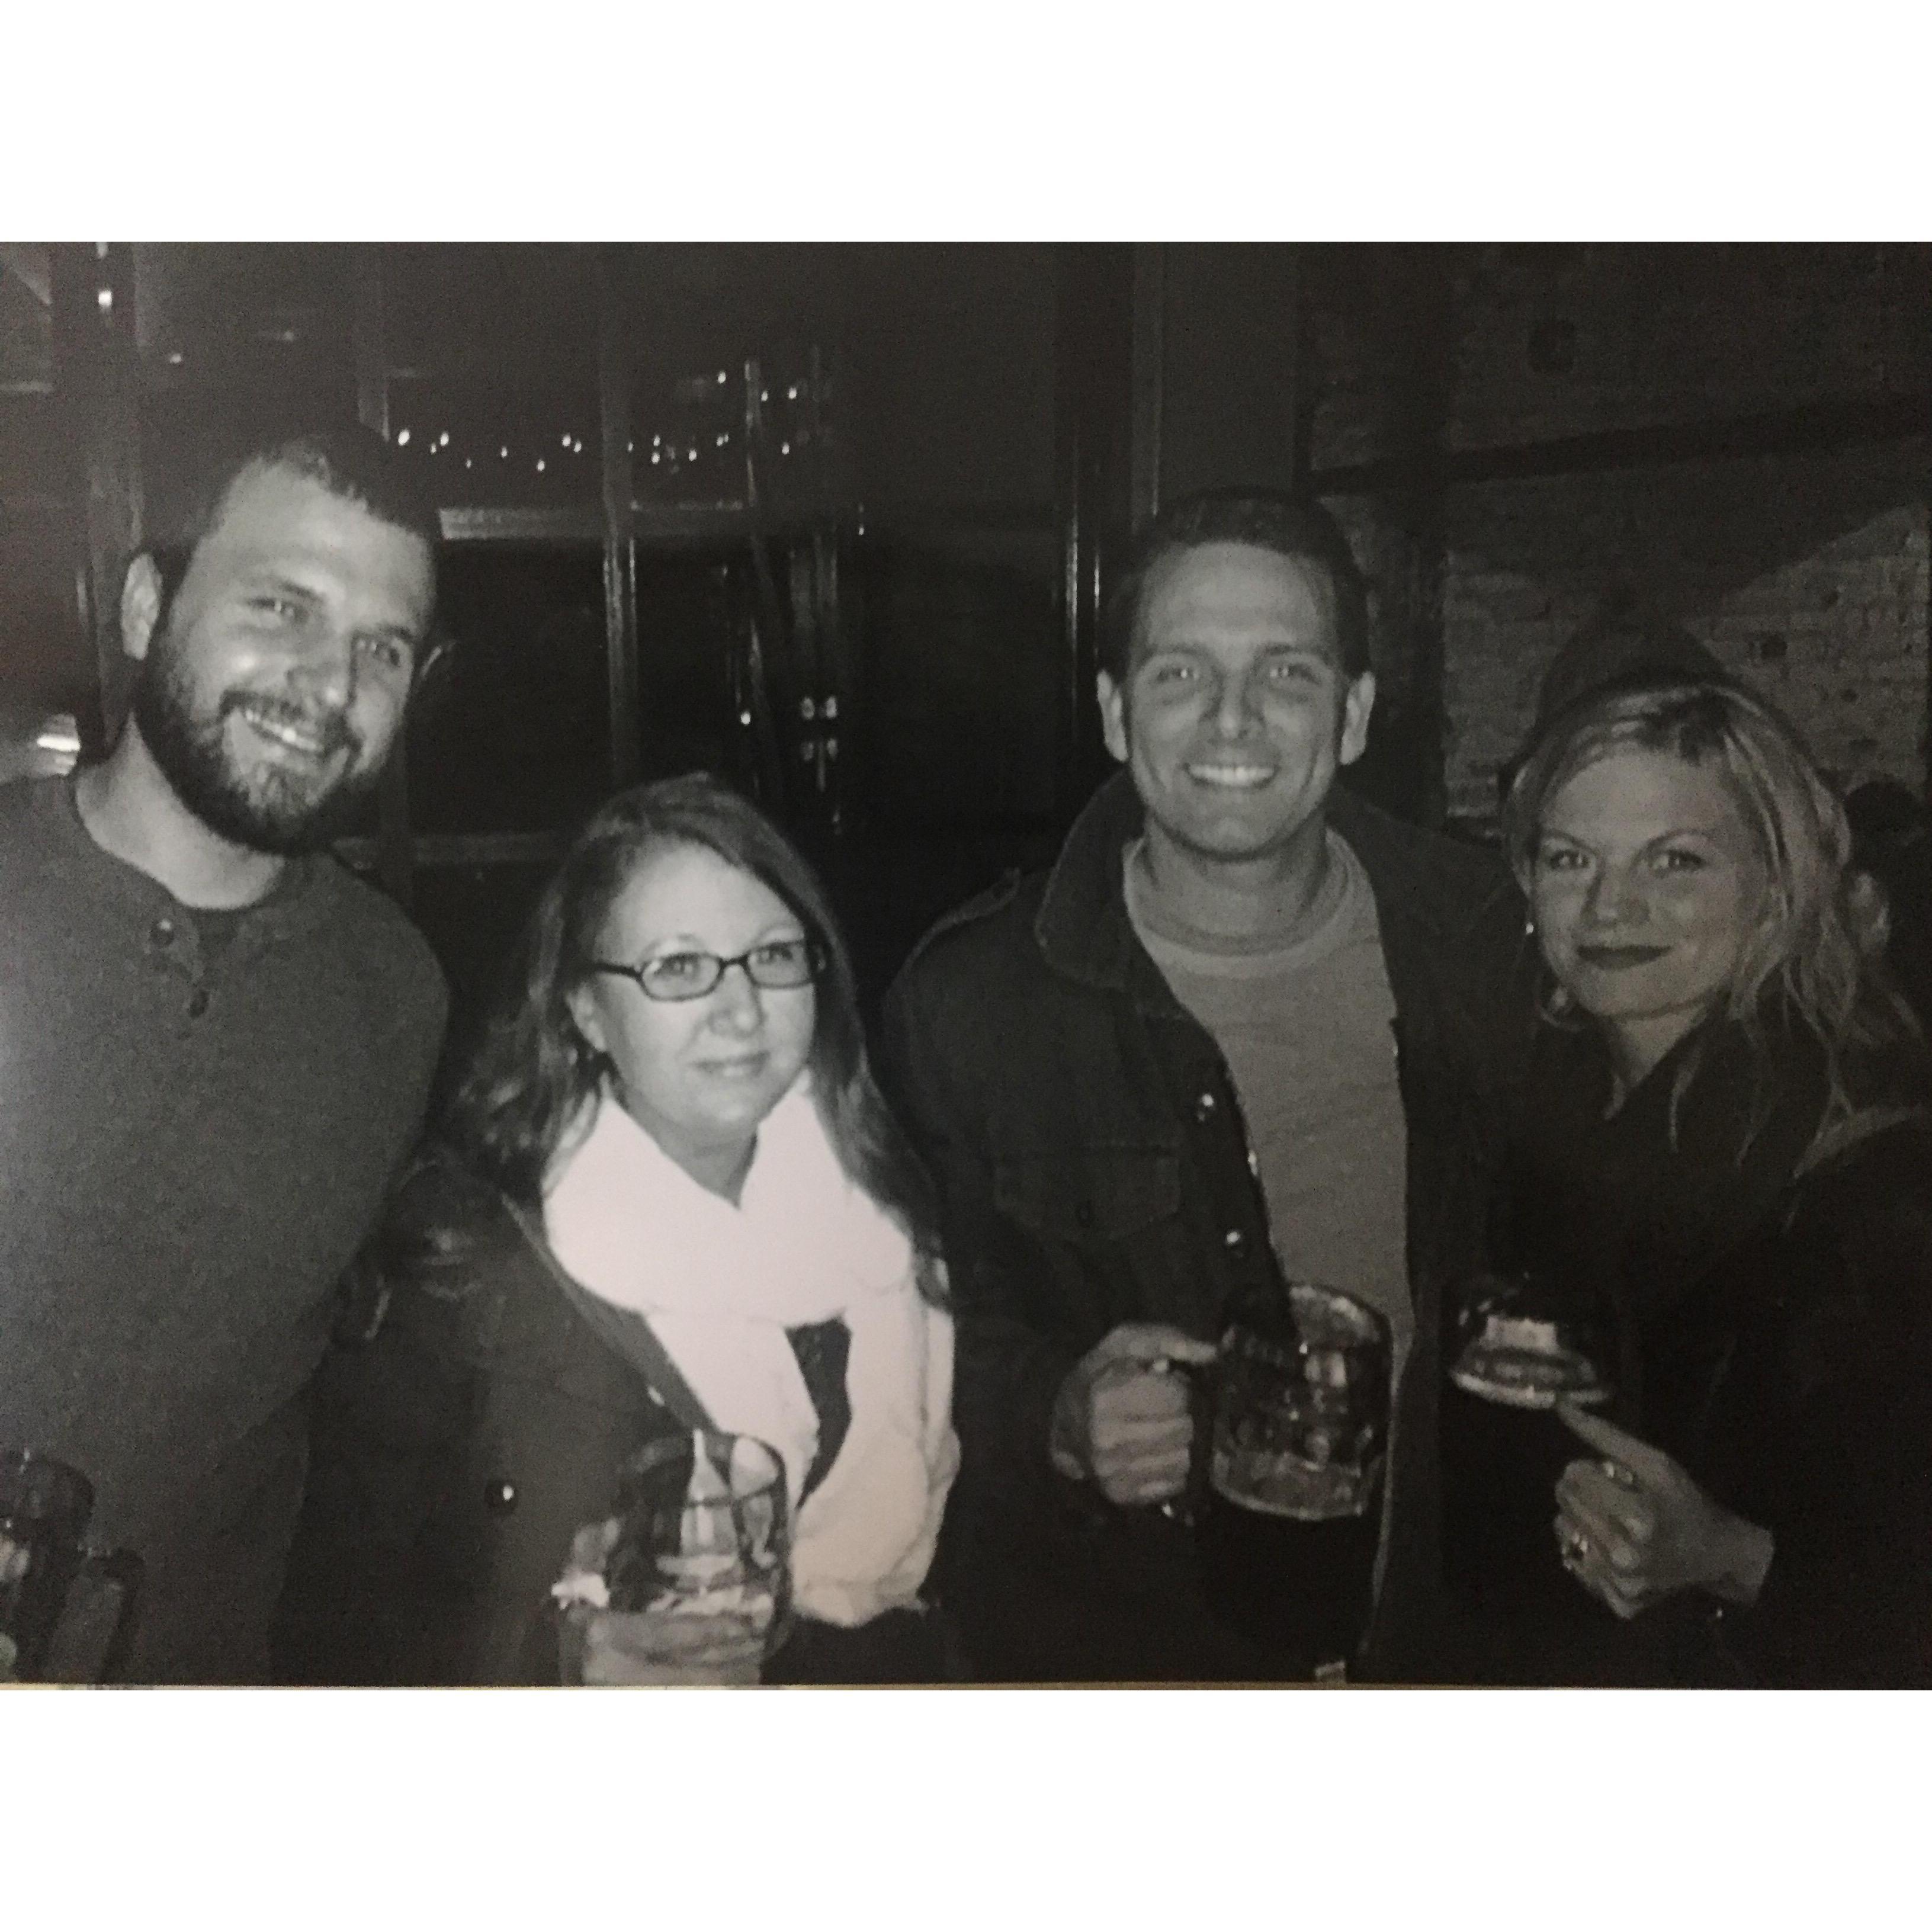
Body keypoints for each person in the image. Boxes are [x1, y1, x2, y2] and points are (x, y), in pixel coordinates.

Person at [878, 489, 1532, 1683]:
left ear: (1354, 714)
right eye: (1179, 673)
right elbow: (901, 1342)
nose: (1231, 718)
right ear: (1114, 714)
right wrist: (1056, 1413)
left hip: (1448, 1645)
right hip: (1146, 1655)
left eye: (1285, 671)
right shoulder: (969, 1005)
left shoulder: (1489, 940)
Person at [278, 775, 959, 1684]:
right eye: (678, 967)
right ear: (584, 1011)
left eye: (772, 955)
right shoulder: (458, 1264)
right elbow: (331, 1629)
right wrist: (555, 1664)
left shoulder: (876, 1190)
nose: (741, 1008)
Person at [0, 425, 450, 1683]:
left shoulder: (392, 993)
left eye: (382, 647)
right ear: (149, 605)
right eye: (280, 606)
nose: (326, 681)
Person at [1475, 676, 1932, 1686]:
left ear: (1777, 886)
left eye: (1674, 861)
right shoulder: (1540, 1106)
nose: (1608, 904)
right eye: (1569, 859)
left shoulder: (1873, 1180)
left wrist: (1728, 1555)